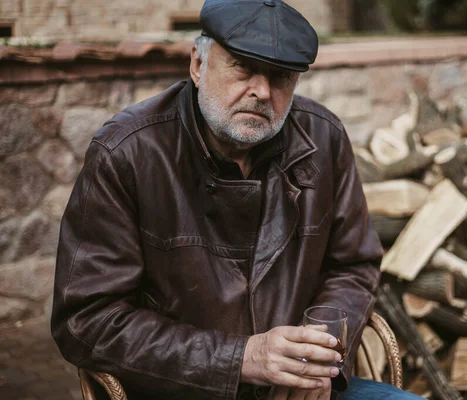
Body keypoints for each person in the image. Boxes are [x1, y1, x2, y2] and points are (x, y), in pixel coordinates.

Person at [51, 1, 423, 399]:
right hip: (181, 389)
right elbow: (87, 319)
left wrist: (318, 361)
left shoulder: (324, 139)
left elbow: (352, 266)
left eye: (280, 76)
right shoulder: (127, 152)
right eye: (243, 66)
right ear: (198, 64)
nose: (262, 91)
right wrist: (241, 359)